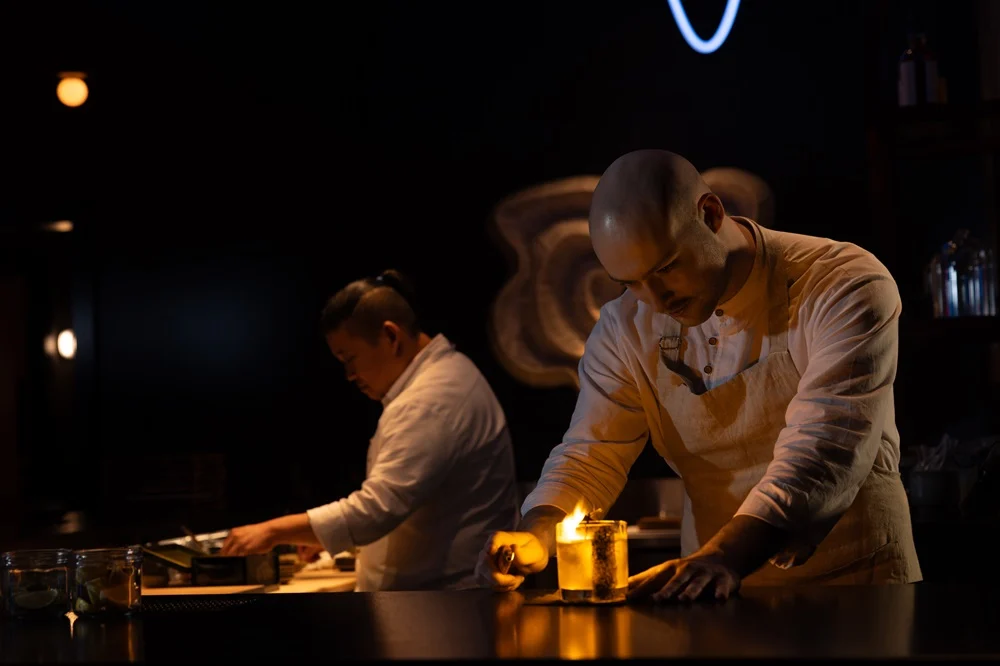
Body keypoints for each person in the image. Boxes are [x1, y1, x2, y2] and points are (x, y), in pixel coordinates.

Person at [476, 149, 921, 601]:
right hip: (712, 595)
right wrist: (536, 534)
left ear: (710, 214)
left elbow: (824, 448)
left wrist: (725, 558)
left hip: (857, 589)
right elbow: (591, 453)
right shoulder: (624, 326)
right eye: (629, 282)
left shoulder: (842, 283)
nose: (655, 298)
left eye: (666, 267)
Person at [222, 269, 520, 591]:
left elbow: (378, 508)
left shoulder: (431, 400)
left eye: (349, 358)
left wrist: (271, 531)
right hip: (438, 602)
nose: (349, 374)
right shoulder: (445, 376)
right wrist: (326, 538)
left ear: (391, 336)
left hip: (443, 607)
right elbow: (413, 503)